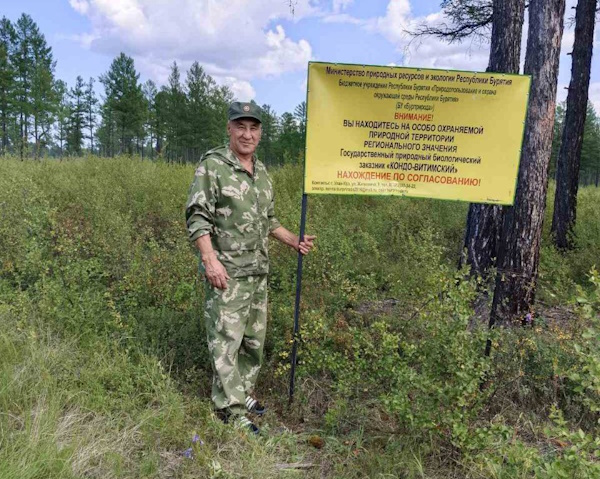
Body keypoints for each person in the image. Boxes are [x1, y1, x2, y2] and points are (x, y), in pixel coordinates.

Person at [185, 101, 315, 433]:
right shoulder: (213, 166)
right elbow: (198, 217)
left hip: (257, 271)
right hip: (227, 272)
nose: (247, 134)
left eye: (253, 128)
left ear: (260, 133)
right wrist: (209, 260)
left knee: (253, 341)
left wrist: (293, 240)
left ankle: (243, 394)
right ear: (229, 129)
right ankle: (230, 410)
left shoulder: (262, 172)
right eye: (240, 127)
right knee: (226, 339)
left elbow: (269, 220)